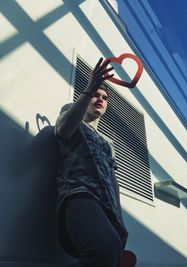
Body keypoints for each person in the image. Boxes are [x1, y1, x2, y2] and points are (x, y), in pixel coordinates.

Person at [55, 58, 128, 267]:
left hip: (106, 205)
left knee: (110, 255)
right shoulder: (71, 113)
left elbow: (114, 181)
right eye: (96, 95)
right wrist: (90, 87)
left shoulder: (108, 142)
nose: (100, 99)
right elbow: (64, 130)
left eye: (104, 97)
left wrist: (120, 219)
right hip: (78, 192)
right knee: (105, 247)